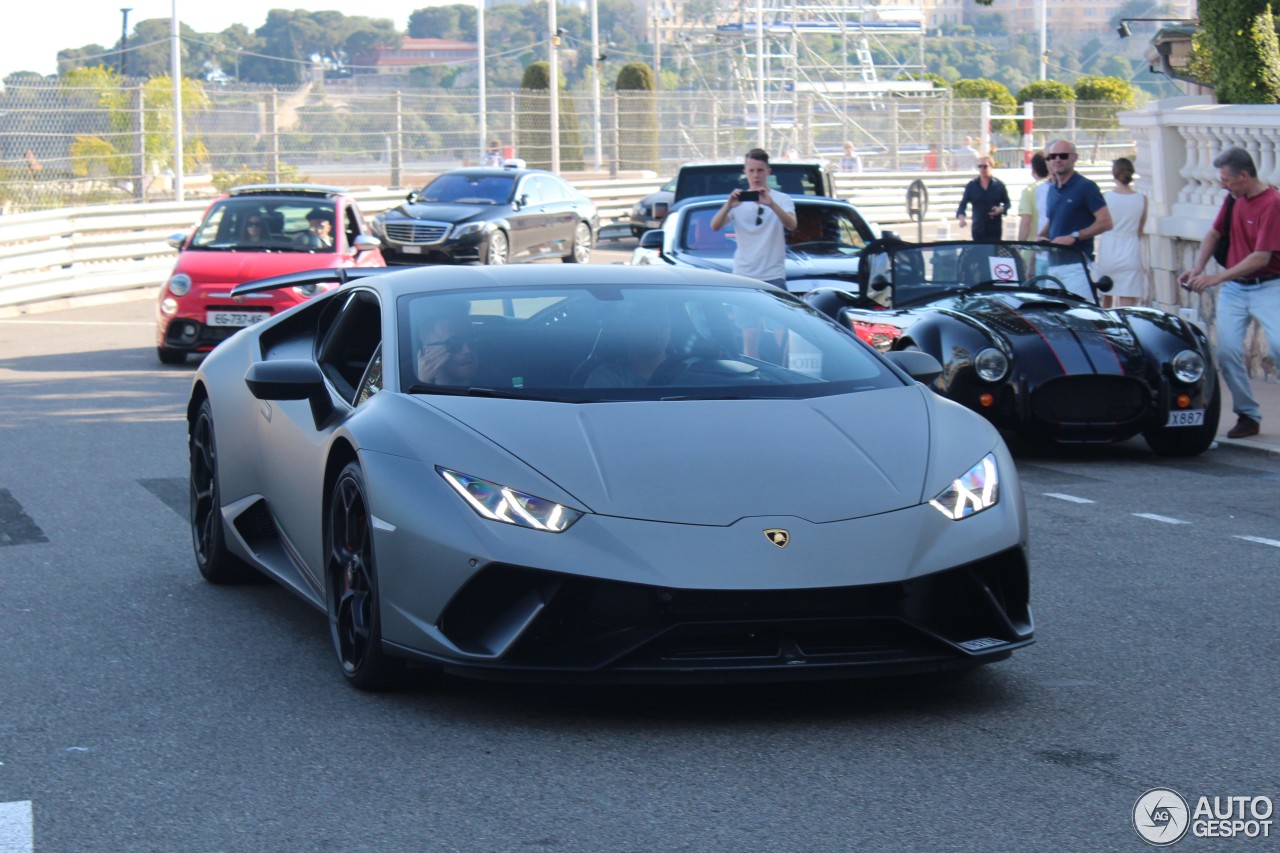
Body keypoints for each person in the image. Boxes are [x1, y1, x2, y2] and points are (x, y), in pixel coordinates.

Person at [1179, 146, 1280, 439]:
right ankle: (1248, 414)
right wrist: (1197, 269)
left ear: (1244, 175)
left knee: (1278, 346)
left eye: (1226, 179)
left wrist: (1217, 277)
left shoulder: (1272, 203)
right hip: (1237, 289)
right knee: (1226, 352)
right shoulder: (1233, 199)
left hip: (1269, 285)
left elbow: (1261, 257)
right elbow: (1214, 233)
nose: (1223, 184)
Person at [709, 148, 798, 289]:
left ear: (768, 171)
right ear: (745, 172)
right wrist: (728, 205)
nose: (756, 175)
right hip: (743, 274)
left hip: (773, 275)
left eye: (760, 170)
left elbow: (791, 225)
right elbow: (715, 226)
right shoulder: (737, 201)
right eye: (751, 171)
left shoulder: (782, 199)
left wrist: (771, 204)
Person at [1038, 139, 1112, 299]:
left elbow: (1106, 222)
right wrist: (1041, 236)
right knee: (1053, 317)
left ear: (1074, 158)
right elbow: (1054, 219)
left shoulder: (1086, 187)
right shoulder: (1052, 189)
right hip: (1053, 266)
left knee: (1083, 317)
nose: (1057, 159)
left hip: (1078, 266)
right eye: (1052, 156)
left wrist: (1074, 236)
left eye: (1063, 156)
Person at [1094, 157, 1148, 308]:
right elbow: (1140, 230)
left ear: (1114, 174)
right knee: (1127, 305)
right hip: (1131, 249)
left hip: (1109, 249)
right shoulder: (1142, 199)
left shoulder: (1106, 197)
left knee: (1106, 297)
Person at [585, 305, 672, 387]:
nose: (656, 330)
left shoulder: (684, 373)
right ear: (627, 331)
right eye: (647, 324)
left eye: (663, 322)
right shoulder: (605, 378)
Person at [956, 156, 1010, 242]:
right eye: (980, 166)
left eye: (985, 166)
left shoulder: (999, 185)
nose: (982, 169)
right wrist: (961, 217)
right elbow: (962, 205)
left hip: (994, 229)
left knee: (993, 252)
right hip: (978, 228)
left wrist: (1000, 209)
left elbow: (1007, 203)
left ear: (991, 167)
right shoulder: (972, 185)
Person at [416, 313, 479, 386]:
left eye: (471, 341)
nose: (467, 350)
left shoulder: (492, 388)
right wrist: (423, 385)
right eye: (454, 343)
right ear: (428, 353)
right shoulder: (408, 395)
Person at [1016, 152, 1049, 241]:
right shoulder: (1057, 187)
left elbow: (1026, 222)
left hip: (1033, 246)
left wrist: (1020, 245)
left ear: (1033, 170)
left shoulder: (1029, 191)